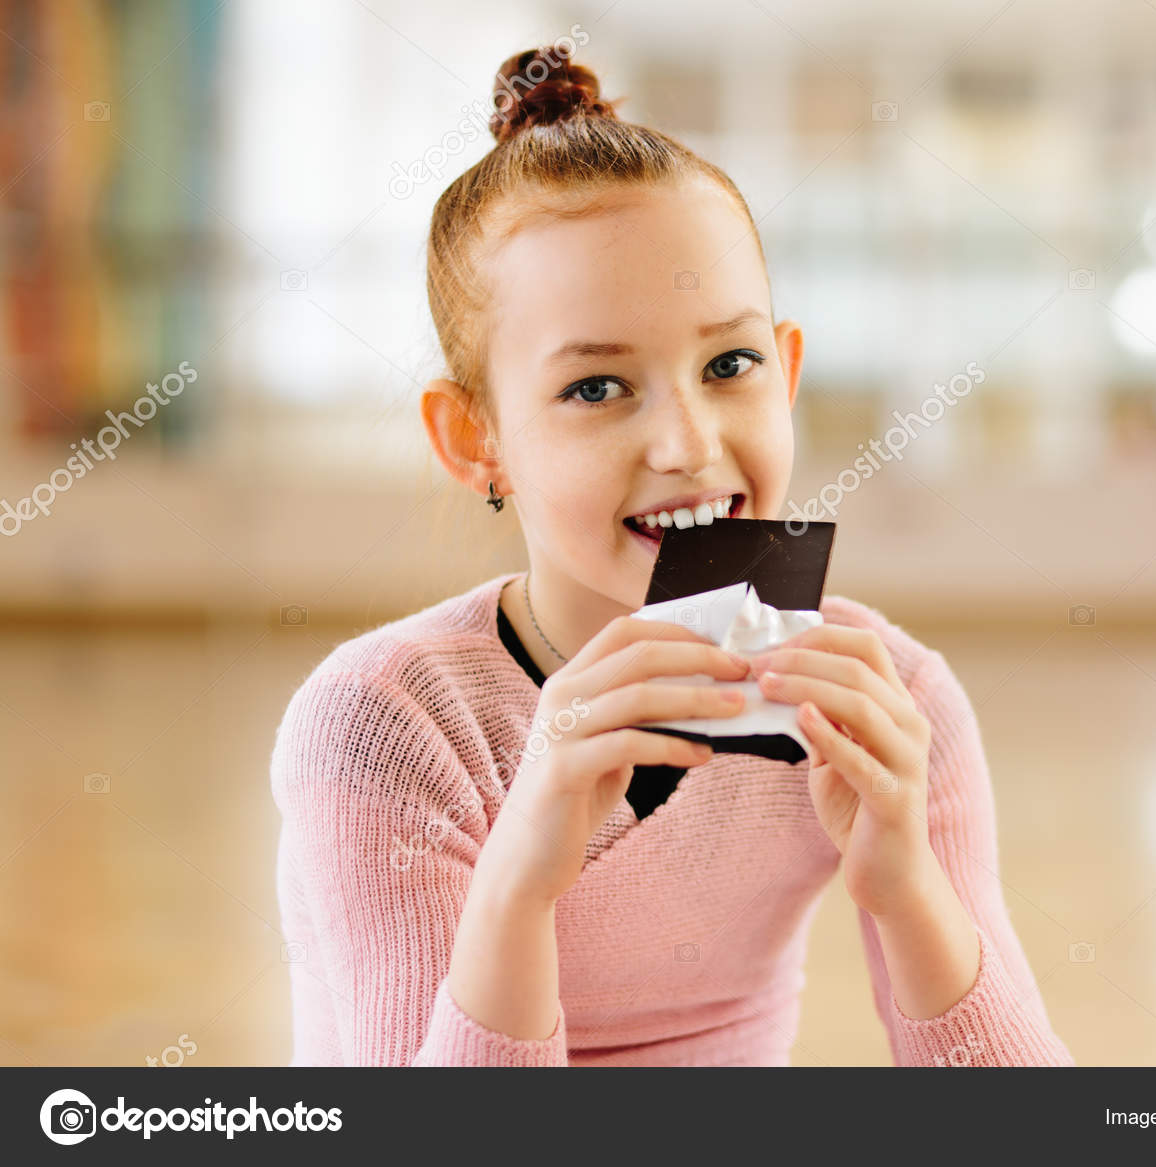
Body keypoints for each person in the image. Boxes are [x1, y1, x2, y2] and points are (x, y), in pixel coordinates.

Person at [269, 44, 1072, 1067]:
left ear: (783, 377)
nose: (689, 445)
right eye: (597, 387)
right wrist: (518, 887)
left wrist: (907, 886)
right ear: (476, 440)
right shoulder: (389, 725)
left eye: (727, 364)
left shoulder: (889, 699)